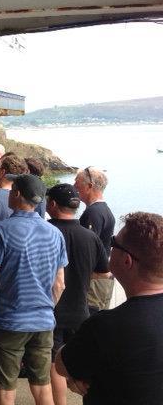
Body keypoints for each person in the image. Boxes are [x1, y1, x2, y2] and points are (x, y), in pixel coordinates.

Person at [55, 212, 163, 404]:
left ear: (127, 261)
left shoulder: (106, 325)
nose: (110, 247)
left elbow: (62, 365)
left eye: (114, 243)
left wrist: (78, 378)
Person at [0, 174, 67, 405]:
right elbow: (59, 284)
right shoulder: (55, 234)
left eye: (11, 190)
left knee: (5, 387)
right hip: (43, 321)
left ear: (17, 193)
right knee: (41, 384)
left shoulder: (1, 231)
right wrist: (45, 309)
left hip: (8, 321)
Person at [45, 184, 108, 405]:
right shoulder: (90, 236)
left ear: (52, 204)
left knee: (53, 363)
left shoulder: (46, 231)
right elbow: (104, 271)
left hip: (51, 309)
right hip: (80, 310)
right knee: (79, 365)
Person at [74, 166, 116, 314]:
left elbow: (87, 249)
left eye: (77, 182)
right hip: (102, 277)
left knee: (89, 320)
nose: (74, 186)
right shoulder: (104, 210)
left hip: (95, 280)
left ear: (90, 186)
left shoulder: (93, 213)